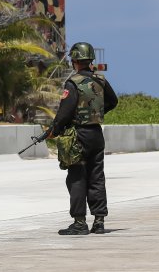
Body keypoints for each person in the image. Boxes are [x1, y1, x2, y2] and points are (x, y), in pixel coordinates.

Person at [50, 41, 118, 235]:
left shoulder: (73, 83)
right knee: (97, 177)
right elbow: (113, 101)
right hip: (96, 134)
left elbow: (64, 113)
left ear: (75, 60)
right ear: (90, 60)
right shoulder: (100, 80)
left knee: (77, 177)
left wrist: (54, 129)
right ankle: (99, 221)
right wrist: (95, 113)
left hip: (78, 136)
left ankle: (80, 223)